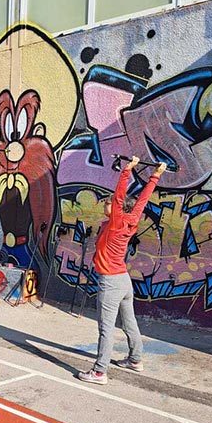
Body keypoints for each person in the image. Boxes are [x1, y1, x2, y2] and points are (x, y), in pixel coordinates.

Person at [78, 156, 166, 385]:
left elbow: (119, 197)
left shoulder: (117, 221)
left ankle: (99, 372)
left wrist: (127, 170)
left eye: (108, 203)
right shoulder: (130, 219)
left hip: (110, 282)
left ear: (117, 208)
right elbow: (142, 200)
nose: (106, 204)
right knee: (129, 322)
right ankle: (135, 359)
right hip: (124, 280)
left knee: (105, 328)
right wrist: (156, 175)